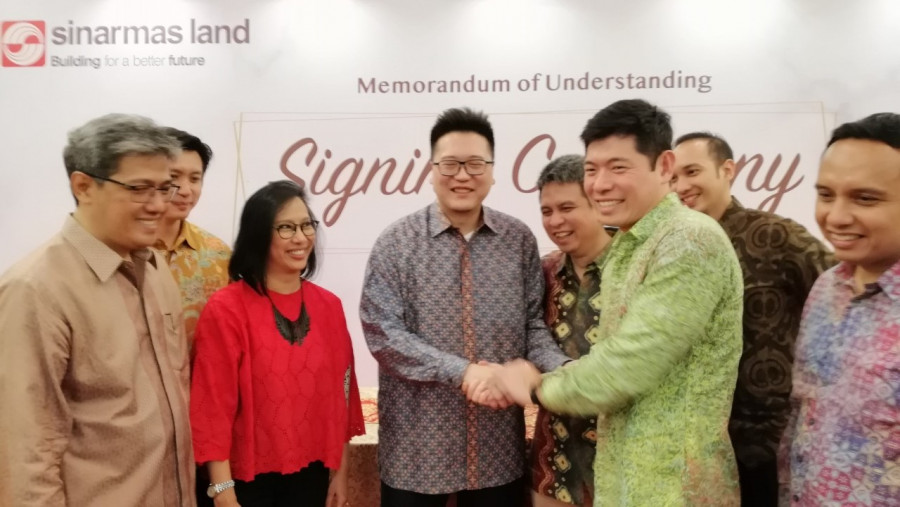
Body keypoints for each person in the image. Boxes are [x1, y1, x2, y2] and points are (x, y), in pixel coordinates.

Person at [498, 99, 744, 505]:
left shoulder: (688, 239)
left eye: (618, 167)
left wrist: (539, 387)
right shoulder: (628, 246)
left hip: (675, 486)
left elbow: (627, 366)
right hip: (622, 479)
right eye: (592, 170)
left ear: (664, 166)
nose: (600, 184)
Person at [360, 107, 569, 506]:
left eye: (475, 164)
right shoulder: (395, 243)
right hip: (417, 450)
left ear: (492, 171)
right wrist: (464, 372)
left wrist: (564, 371)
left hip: (496, 448)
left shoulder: (518, 240)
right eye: (450, 164)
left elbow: (531, 325)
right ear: (431, 170)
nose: (462, 175)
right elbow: (383, 335)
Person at [0, 114, 194, 506]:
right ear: (83, 186)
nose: (160, 205)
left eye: (165, 187)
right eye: (139, 188)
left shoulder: (156, 270)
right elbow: (26, 454)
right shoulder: (35, 289)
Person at [672, 132, 836, 506]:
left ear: (727, 170)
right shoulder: (677, 250)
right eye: (673, 177)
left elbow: (841, 288)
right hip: (699, 440)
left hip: (769, 440)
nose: (681, 187)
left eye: (692, 172)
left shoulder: (773, 234)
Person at [190, 180, 364, 507]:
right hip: (246, 479)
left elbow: (341, 392)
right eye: (286, 228)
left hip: (312, 474)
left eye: (306, 225)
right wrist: (222, 489)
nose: (301, 238)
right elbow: (212, 405)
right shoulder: (226, 309)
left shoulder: (329, 306)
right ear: (258, 235)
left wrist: (339, 473)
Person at [779, 112, 900, 505]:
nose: (836, 217)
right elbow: (805, 415)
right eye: (826, 195)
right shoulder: (827, 286)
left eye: (865, 198)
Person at [530, 154, 612, 507]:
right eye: (547, 211)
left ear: (597, 203)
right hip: (554, 461)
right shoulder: (544, 271)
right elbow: (529, 335)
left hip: (622, 462)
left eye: (566, 208)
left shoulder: (636, 269)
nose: (555, 221)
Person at [154, 127, 231, 349]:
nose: (186, 190)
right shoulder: (122, 249)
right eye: (174, 177)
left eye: (195, 179)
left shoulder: (219, 255)